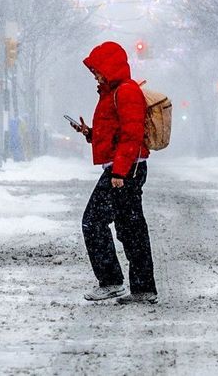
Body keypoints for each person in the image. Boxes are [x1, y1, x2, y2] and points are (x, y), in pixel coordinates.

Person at [69, 41, 157, 304]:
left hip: (126, 169)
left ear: (109, 67)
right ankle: (142, 289)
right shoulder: (113, 92)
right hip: (124, 167)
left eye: (97, 70)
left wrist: (119, 172)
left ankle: (111, 282)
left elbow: (132, 135)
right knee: (130, 228)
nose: (95, 75)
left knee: (94, 221)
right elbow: (116, 132)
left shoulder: (127, 91)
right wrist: (90, 133)